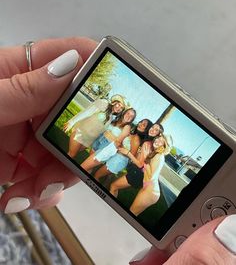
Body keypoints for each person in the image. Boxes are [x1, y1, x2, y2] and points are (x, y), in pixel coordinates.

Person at [0, 38, 235, 265]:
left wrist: (130, 152)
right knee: (90, 171)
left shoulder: (153, 150)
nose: (144, 127)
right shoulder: (122, 123)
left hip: (127, 167)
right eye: (141, 122)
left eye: (150, 129)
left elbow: (145, 169)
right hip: (112, 154)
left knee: (100, 177)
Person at [110, 123, 164, 197]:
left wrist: (128, 153)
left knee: (113, 186)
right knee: (116, 187)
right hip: (138, 172)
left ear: (158, 134)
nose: (153, 130)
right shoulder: (150, 143)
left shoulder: (147, 144)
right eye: (152, 127)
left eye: (156, 130)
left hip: (137, 173)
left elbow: (141, 164)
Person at [63, 94, 126, 158]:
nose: (119, 108)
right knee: (72, 154)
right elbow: (87, 112)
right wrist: (71, 122)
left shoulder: (112, 118)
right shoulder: (103, 103)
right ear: (114, 102)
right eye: (119, 104)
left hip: (89, 141)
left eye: (121, 108)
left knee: (73, 153)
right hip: (81, 132)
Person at [128, 135, 173, 216]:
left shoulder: (159, 156)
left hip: (151, 191)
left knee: (131, 212)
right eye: (159, 138)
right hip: (147, 187)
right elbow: (145, 169)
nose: (158, 141)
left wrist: (145, 157)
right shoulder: (155, 153)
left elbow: (151, 177)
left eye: (162, 141)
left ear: (164, 146)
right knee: (134, 213)